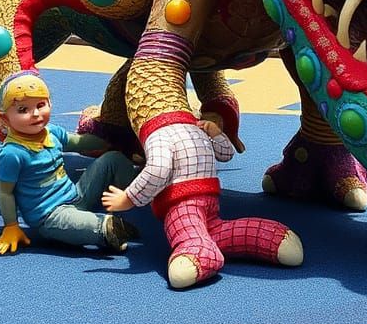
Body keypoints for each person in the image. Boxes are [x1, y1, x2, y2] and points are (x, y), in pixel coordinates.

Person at [102, 114, 301, 289]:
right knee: (213, 230)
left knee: (189, 232)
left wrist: (129, 198)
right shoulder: (194, 127)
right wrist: (215, 134)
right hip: (209, 198)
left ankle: (198, 254)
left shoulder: (159, 133)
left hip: (180, 203)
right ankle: (271, 235)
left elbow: (158, 169)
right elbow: (227, 153)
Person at [0, 70, 139, 255]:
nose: (35, 113)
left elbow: (77, 142)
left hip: (76, 195)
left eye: (40, 105)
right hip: (50, 215)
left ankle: (137, 192)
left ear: (49, 104)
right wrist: (11, 225)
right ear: (5, 118)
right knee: (97, 226)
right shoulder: (12, 153)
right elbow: (5, 192)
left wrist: (113, 139)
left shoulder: (51, 132)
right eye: (23, 110)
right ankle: (107, 229)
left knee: (113, 159)